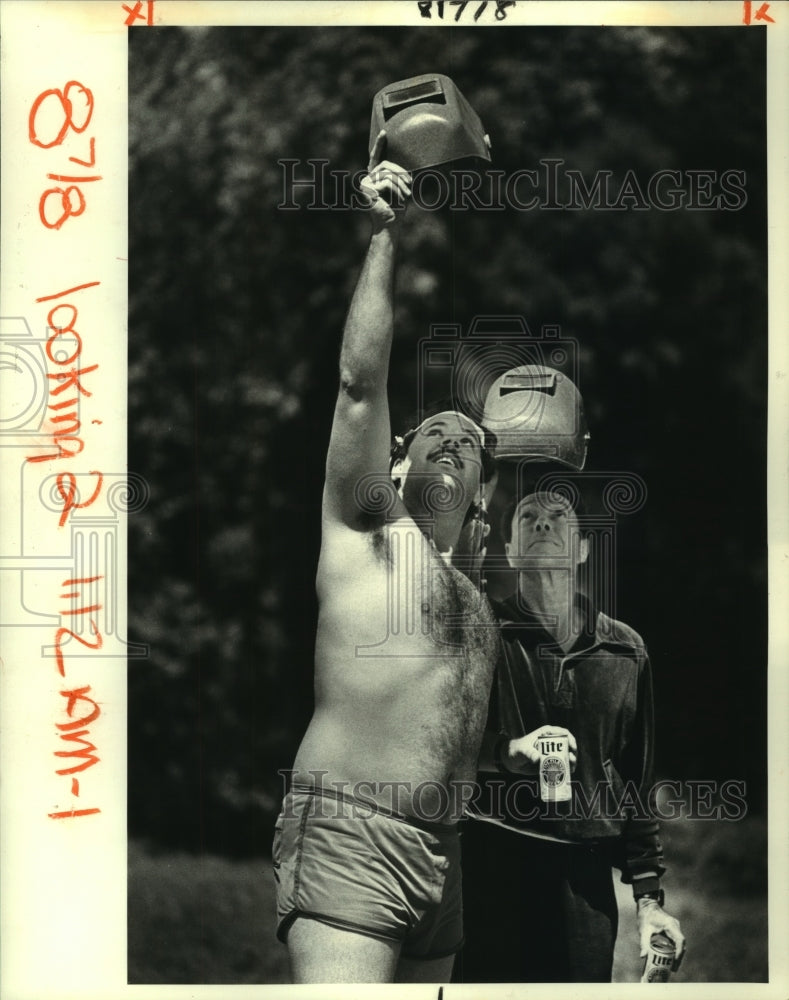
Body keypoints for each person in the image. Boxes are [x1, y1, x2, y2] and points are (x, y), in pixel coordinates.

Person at [271, 134, 570, 984]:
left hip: (443, 857)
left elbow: (430, 723)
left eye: (468, 441)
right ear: (392, 467)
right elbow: (360, 383)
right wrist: (383, 235)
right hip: (349, 832)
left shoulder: (471, 598)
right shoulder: (369, 529)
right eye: (428, 432)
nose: (449, 434)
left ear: (480, 497)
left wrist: (505, 760)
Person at [458, 488, 686, 983]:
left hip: (584, 882)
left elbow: (635, 782)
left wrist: (649, 901)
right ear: (511, 550)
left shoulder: (626, 650)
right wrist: (507, 750)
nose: (543, 524)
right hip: (489, 862)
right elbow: (439, 746)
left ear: (582, 549)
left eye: (558, 517)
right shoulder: (482, 631)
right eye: (528, 517)